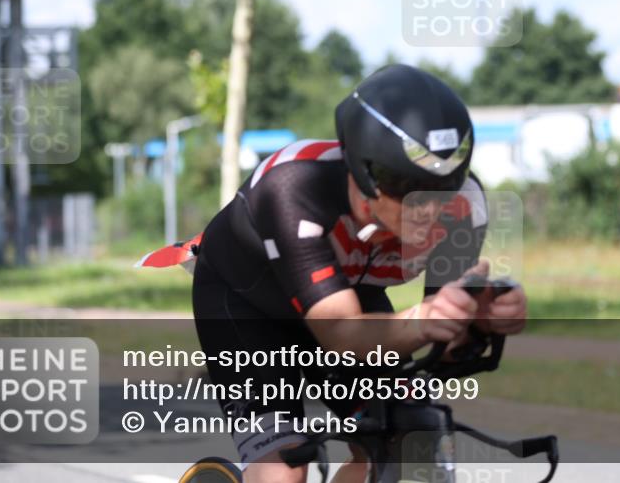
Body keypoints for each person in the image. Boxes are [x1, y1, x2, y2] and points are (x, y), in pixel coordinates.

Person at [190, 64, 528, 483]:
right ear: (367, 174)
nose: (429, 208)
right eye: (410, 188)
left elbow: (440, 339)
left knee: (411, 440)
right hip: (246, 304)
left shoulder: (464, 208)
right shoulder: (295, 189)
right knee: (285, 466)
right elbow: (342, 334)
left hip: (348, 294)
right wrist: (426, 320)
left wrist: (479, 322)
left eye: (445, 187)